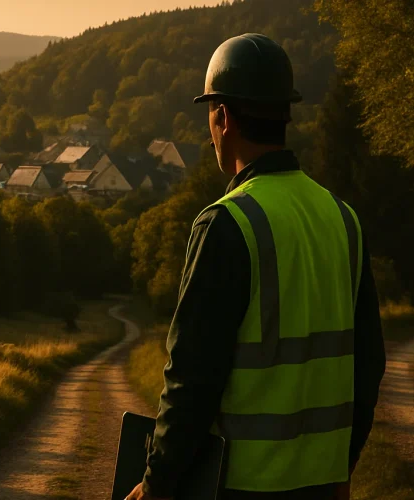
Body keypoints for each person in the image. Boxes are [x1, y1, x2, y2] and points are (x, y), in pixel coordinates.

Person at [125, 33, 386, 500]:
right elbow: (368, 366)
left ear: (222, 117)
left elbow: (192, 380)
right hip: (325, 485)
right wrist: (343, 465)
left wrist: (156, 483)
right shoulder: (343, 219)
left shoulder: (226, 224)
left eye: (210, 116)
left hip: (239, 485)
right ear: (284, 113)